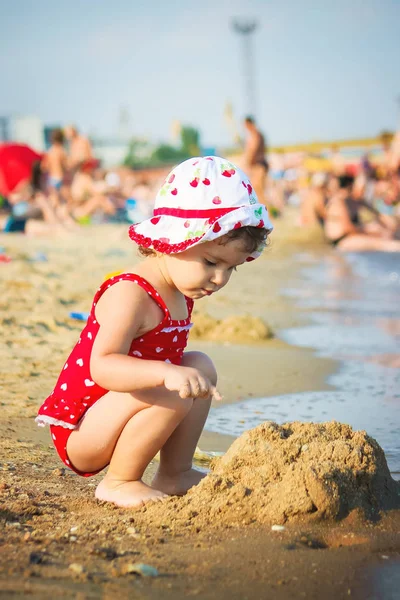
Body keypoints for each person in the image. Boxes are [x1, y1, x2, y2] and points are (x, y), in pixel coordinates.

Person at [35, 156, 273, 508]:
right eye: (211, 262)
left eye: (231, 269)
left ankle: (175, 472)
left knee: (200, 366)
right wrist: (164, 373)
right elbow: (102, 365)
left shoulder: (177, 290)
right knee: (173, 385)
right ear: (171, 241)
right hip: (83, 431)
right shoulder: (130, 293)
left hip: (121, 414)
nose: (219, 279)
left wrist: (171, 374)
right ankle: (119, 482)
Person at [243, 116, 269, 206]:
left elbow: (252, 151)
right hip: (260, 164)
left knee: (258, 191)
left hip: (258, 165)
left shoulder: (255, 135)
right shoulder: (258, 135)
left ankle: (266, 212)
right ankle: (265, 212)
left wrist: (247, 164)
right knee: (258, 190)